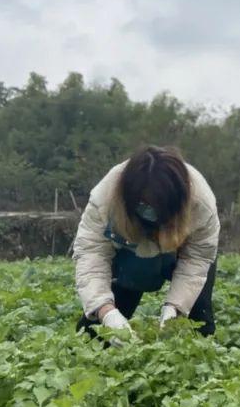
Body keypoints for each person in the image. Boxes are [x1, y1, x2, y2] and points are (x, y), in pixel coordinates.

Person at [73, 145, 221, 339]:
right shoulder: (106, 196)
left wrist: (175, 309)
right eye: (145, 206)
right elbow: (91, 252)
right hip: (130, 253)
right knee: (98, 335)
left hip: (180, 253)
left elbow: (198, 257)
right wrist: (106, 311)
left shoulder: (201, 203)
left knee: (198, 324)